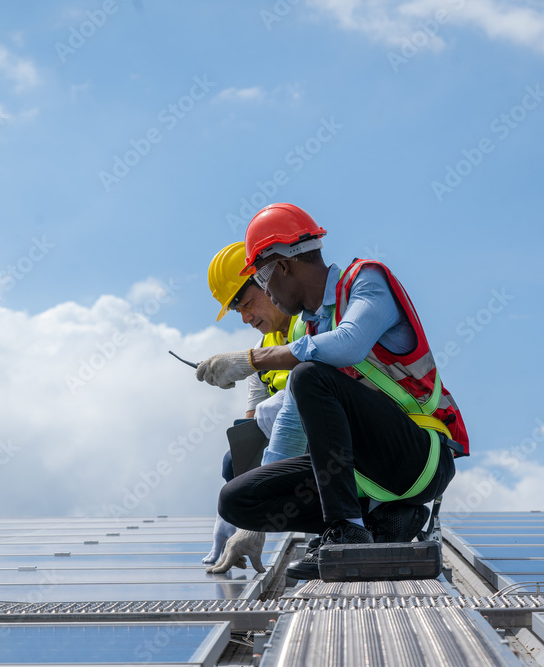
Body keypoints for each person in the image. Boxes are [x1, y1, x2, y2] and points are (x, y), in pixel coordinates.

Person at [196, 203, 470, 579]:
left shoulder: (367, 281)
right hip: (363, 471)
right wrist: (251, 528)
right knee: (238, 498)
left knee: (311, 374)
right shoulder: (310, 333)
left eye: (261, 281)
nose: (266, 294)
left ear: (282, 266)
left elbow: (349, 344)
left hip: (418, 459)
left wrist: (255, 360)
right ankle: (382, 523)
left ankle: (346, 532)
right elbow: (289, 429)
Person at [201, 242, 308, 573]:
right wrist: (233, 512)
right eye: (238, 312)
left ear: (268, 281)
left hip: (339, 455)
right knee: (233, 463)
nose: (246, 318)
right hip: (299, 460)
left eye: (247, 303)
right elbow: (250, 439)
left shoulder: (310, 324)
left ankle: (342, 529)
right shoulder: (262, 352)